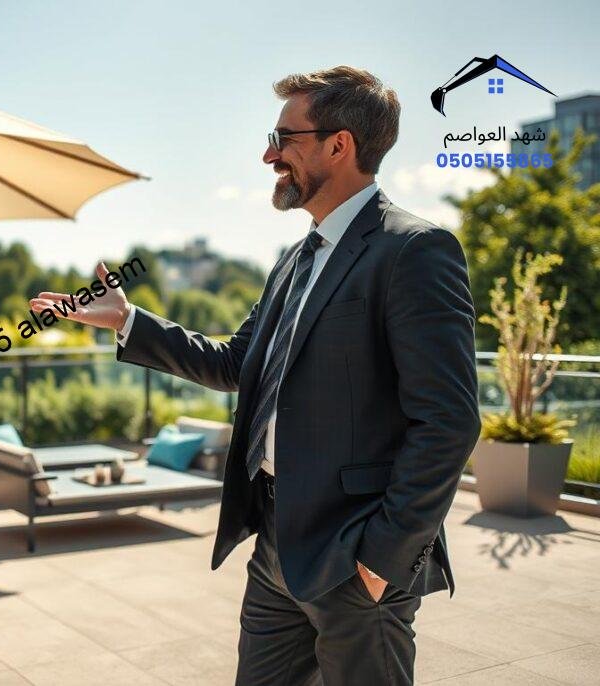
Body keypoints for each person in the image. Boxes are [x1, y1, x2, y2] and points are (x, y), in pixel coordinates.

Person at [28, 66, 480, 685]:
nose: (270, 154)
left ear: (339, 144)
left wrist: (382, 559)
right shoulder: (295, 259)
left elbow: (449, 421)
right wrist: (128, 321)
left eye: (284, 137)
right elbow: (236, 364)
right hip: (275, 542)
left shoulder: (414, 251)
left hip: (354, 559)